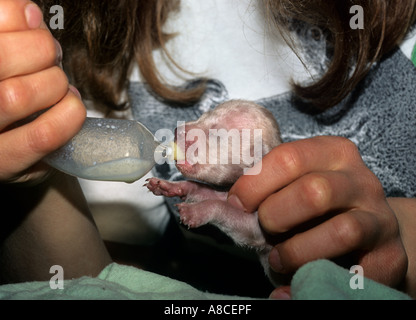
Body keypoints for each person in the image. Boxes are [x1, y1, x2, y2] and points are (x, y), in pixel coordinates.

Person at [0, 0, 415, 300]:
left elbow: (230, 212)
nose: (187, 136)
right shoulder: (101, 26)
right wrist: (28, 162)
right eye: (200, 124)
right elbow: (100, 281)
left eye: (215, 138)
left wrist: (394, 255)